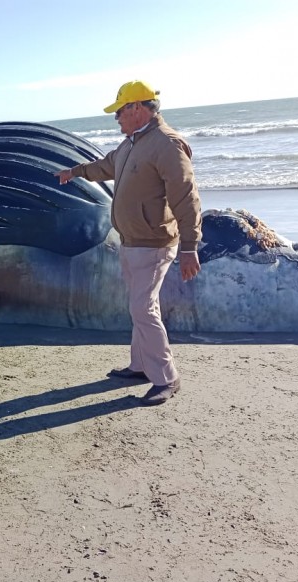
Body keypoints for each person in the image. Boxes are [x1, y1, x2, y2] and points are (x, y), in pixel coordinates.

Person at [55, 80, 202, 406]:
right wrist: (76, 171)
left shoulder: (166, 144)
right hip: (132, 241)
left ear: (137, 109)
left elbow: (187, 199)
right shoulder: (132, 143)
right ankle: (140, 366)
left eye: (119, 111)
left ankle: (166, 377)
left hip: (154, 243)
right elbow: (107, 165)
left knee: (142, 307)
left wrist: (191, 247)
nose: (116, 118)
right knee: (140, 306)